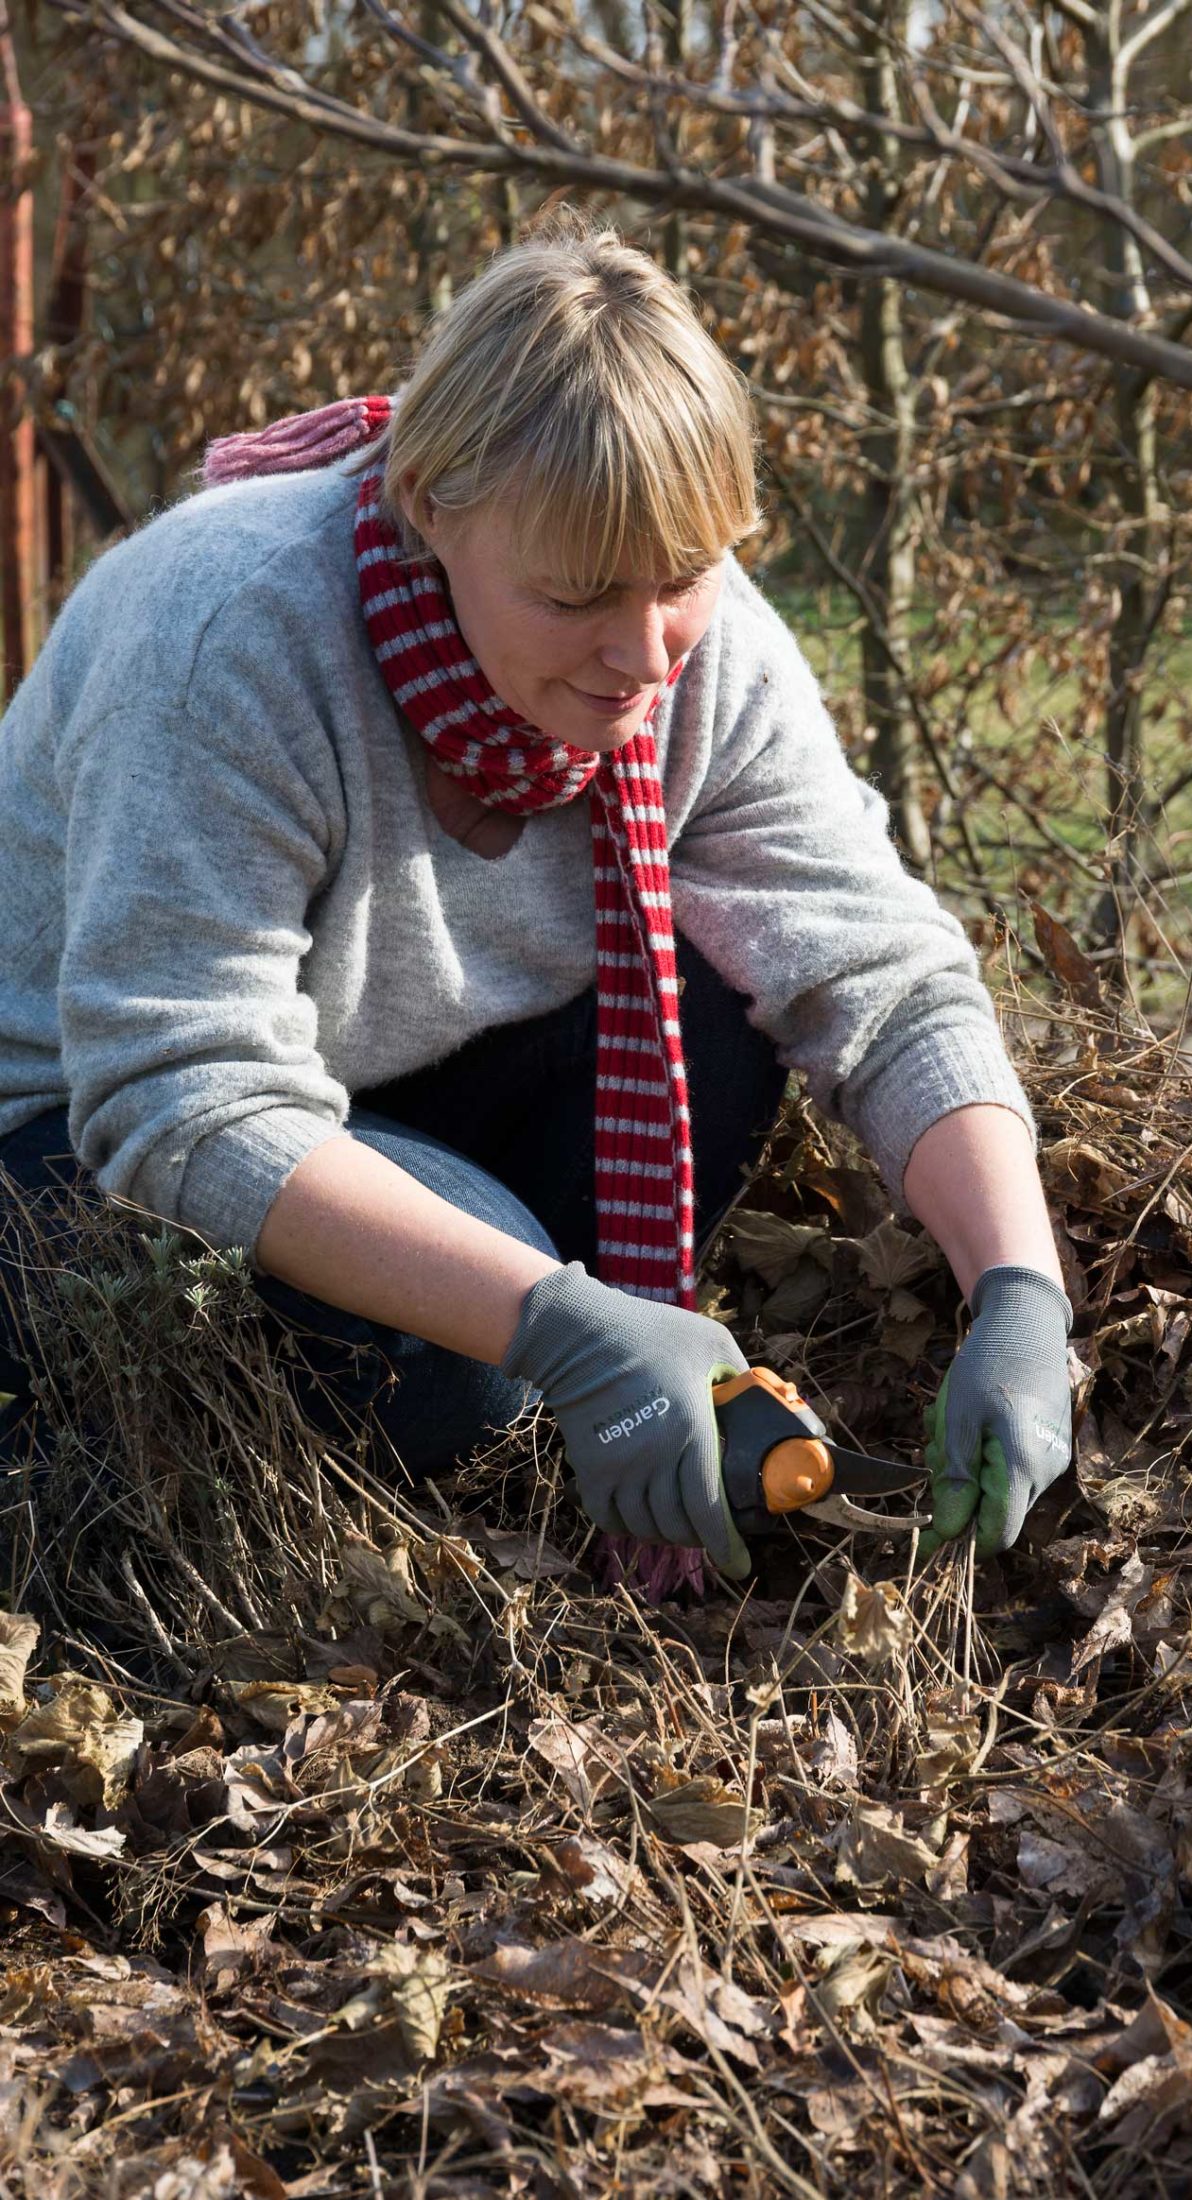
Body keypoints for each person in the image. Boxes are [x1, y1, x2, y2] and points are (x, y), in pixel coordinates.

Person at [0, 221, 1073, 1583]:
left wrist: (1017, 1293)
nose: (640, 657)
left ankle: (504, 1341)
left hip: (392, 1079)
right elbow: (177, 1097)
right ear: (431, 501)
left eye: (679, 580)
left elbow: (873, 966)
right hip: (60, 1142)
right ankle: (91, 1499)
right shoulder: (225, 634)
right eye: (574, 595)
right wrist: (554, 1323)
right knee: (457, 1365)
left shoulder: (698, 641)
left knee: (718, 997)